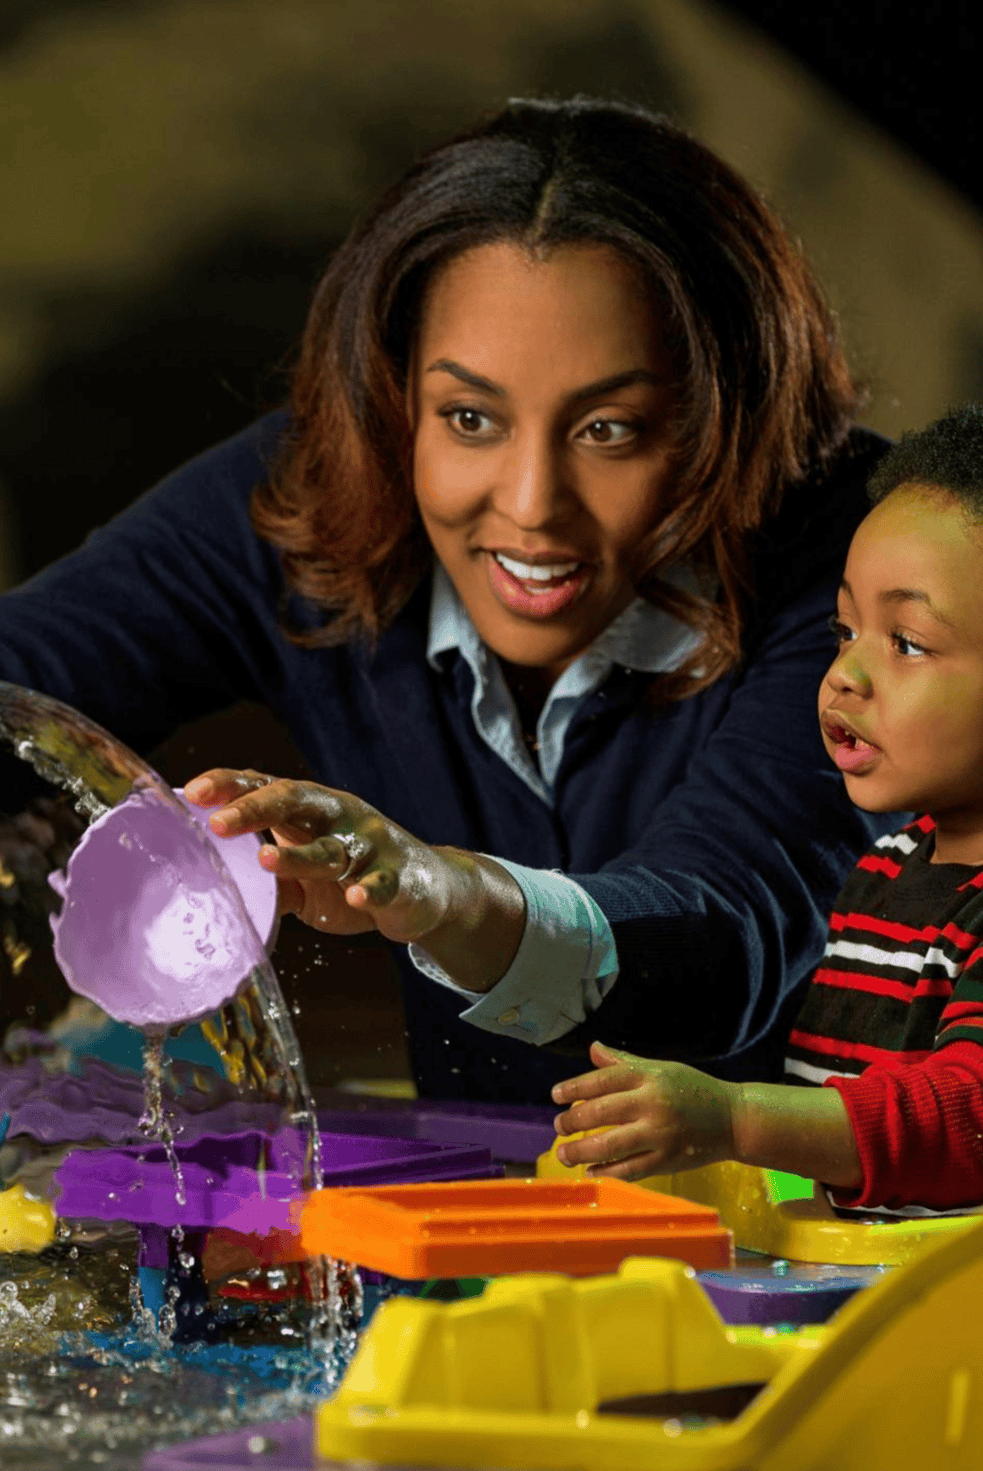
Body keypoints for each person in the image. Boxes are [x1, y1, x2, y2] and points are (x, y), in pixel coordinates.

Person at [0, 97, 902, 1104]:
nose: (529, 508)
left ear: (727, 413)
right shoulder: (307, 499)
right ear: (393, 401)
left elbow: (718, 935)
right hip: (486, 1236)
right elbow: (22, 688)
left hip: (853, 1241)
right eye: (469, 418)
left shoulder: (867, 551)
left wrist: (432, 891)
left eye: (609, 430)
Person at [551, 406, 983, 1212]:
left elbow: (970, 1121)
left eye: (906, 642)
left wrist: (736, 1117)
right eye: (844, 629)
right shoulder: (888, 869)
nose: (844, 676)